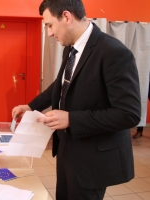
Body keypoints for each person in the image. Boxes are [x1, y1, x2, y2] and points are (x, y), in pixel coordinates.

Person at [12, 0, 141, 199]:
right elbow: (61, 84)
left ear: (66, 16)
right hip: (66, 147)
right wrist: (31, 105)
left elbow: (129, 114)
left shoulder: (113, 52)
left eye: (49, 25)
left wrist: (71, 119)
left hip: (92, 157)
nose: (49, 33)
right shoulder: (70, 48)